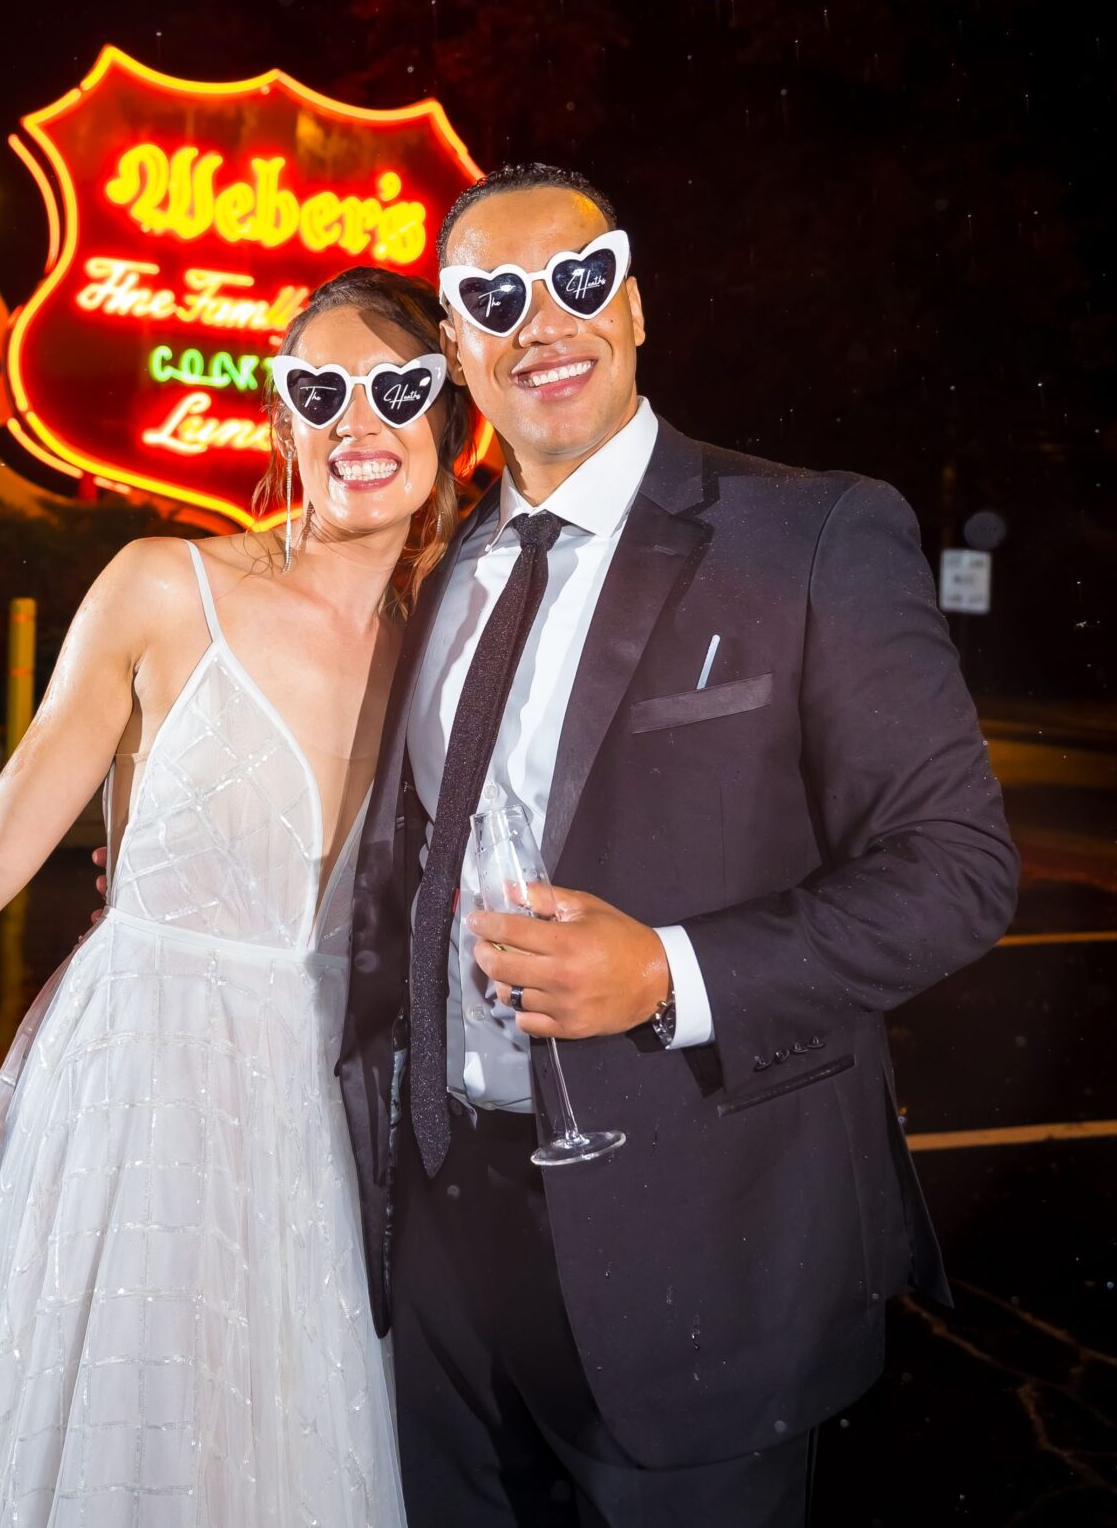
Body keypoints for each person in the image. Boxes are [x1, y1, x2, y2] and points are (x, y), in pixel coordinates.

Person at [0, 266, 477, 1526]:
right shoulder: (169, 586)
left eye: (398, 388)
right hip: (140, 1101)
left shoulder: (453, 648)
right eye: (319, 388)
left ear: (449, 414)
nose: (358, 422)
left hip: (328, 1128)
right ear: (278, 417)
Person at [336, 163, 1020, 1526]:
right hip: (443, 1255)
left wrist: (674, 971)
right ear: (459, 346)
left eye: (581, 277)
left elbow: (957, 867)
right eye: (496, 295)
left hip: (700, 1252)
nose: (546, 319)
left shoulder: (812, 532)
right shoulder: (437, 570)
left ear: (635, 304)